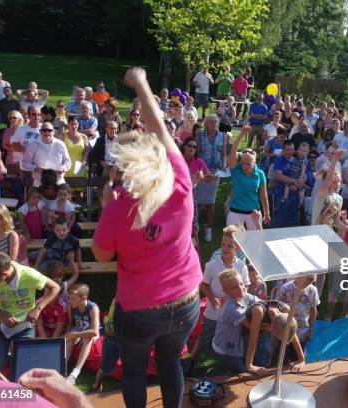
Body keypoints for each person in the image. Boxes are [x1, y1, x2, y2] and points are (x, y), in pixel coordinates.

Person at [92, 67, 202, 408]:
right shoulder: (181, 183)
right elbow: (160, 129)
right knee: (170, 364)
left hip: (139, 309)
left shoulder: (117, 208)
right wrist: (141, 84)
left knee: (136, 371)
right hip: (185, 302)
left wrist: (106, 205)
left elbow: (101, 255)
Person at [0, 251, 60, 369]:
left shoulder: (30, 275)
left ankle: (19, 384)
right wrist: (1, 316)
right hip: (0, 325)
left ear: (4, 274)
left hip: (25, 326)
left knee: (24, 364)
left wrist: (38, 308)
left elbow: (55, 287)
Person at [187, 225, 250, 371]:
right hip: (213, 311)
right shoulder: (212, 265)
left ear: (238, 248)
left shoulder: (241, 267)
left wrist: (229, 296)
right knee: (206, 336)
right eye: (223, 244)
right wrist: (211, 297)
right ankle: (191, 361)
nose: (225, 248)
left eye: (230, 245)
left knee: (232, 337)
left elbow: (245, 288)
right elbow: (203, 284)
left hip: (233, 313)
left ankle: (230, 360)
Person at [227, 127, 270, 229]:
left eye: (248, 164)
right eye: (243, 163)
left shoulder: (260, 173)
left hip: (253, 212)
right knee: (232, 241)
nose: (245, 166)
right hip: (235, 211)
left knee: (255, 241)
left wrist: (267, 212)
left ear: (254, 162)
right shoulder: (236, 170)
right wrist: (242, 134)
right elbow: (233, 152)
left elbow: (263, 195)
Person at [196, 115, 228, 241]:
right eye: (211, 121)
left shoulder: (222, 136)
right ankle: (196, 226)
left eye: (216, 121)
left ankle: (209, 229)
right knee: (198, 200)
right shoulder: (200, 135)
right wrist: (201, 171)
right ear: (206, 124)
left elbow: (223, 153)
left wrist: (224, 165)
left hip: (215, 171)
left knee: (211, 200)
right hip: (202, 170)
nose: (214, 123)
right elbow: (197, 154)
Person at [65, 283, 100, 385]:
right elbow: (70, 323)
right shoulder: (71, 306)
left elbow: (95, 331)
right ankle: (62, 367)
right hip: (78, 329)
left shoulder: (92, 307)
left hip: (89, 331)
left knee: (87, 338)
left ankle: (74, 374)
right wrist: (68, 334)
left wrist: (74, 335)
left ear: (83, 298)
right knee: (69, 338)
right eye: (69, 298)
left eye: (73, 298)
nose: (70, 300)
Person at [22, 121, 71, 187]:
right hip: (39, 181)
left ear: (53, 132)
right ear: (40, 131)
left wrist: (63, 168)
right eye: (44, 130)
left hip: (58, 181)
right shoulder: (32, 145)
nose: (47, 132)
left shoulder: (60, 144)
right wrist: (36, 168)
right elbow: (25, 163)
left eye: (49, 130)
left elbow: (68, 161)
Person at [91, 297, 119, 393]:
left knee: (131, 367)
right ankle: (97, 385)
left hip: (126, 338)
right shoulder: (118, 299)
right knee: (106, 368)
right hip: (112, 338)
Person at [11, 105, 42, 173]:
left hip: (41, 167)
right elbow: (14, 145)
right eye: (34, 114)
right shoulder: (21, 128)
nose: (37, 117)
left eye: (38, 114)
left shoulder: (45, 128)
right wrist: (26, 150)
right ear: (28, 115)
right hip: (26, 168)